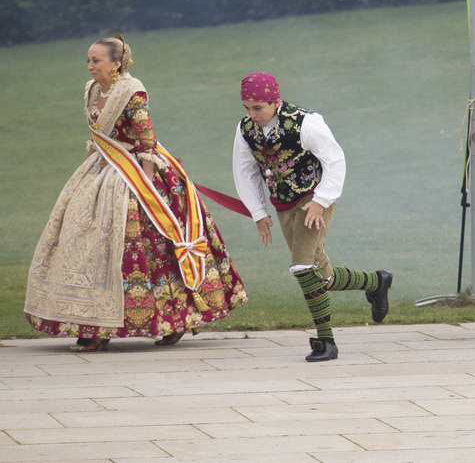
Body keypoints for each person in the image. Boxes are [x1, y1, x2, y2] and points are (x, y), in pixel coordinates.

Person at [25, 34, 248, 352]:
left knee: (150, 253)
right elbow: (98, 138)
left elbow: (146, 144)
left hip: (140, 175)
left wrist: (145, 189)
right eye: (88, 60)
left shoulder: (132, 92)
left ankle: (175, 318)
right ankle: (93, 323)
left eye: (96, 60)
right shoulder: (91, 90)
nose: (90, 66)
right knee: (85, 244)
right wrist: (87, 177)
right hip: (104, 171)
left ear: (116, 63)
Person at [233, 72, 391, 362]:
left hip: (313, 197)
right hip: (282, 204)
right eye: (246, 107)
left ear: (275, 101)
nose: (251, 114)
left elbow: (335, 160)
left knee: (303, 266)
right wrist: (258, 212)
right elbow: (244, 171)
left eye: (258, 108)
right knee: (323, 275)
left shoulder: (305, 122)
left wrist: (320, 201)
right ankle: (376, 282)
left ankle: (326, 342)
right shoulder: (245, 130)